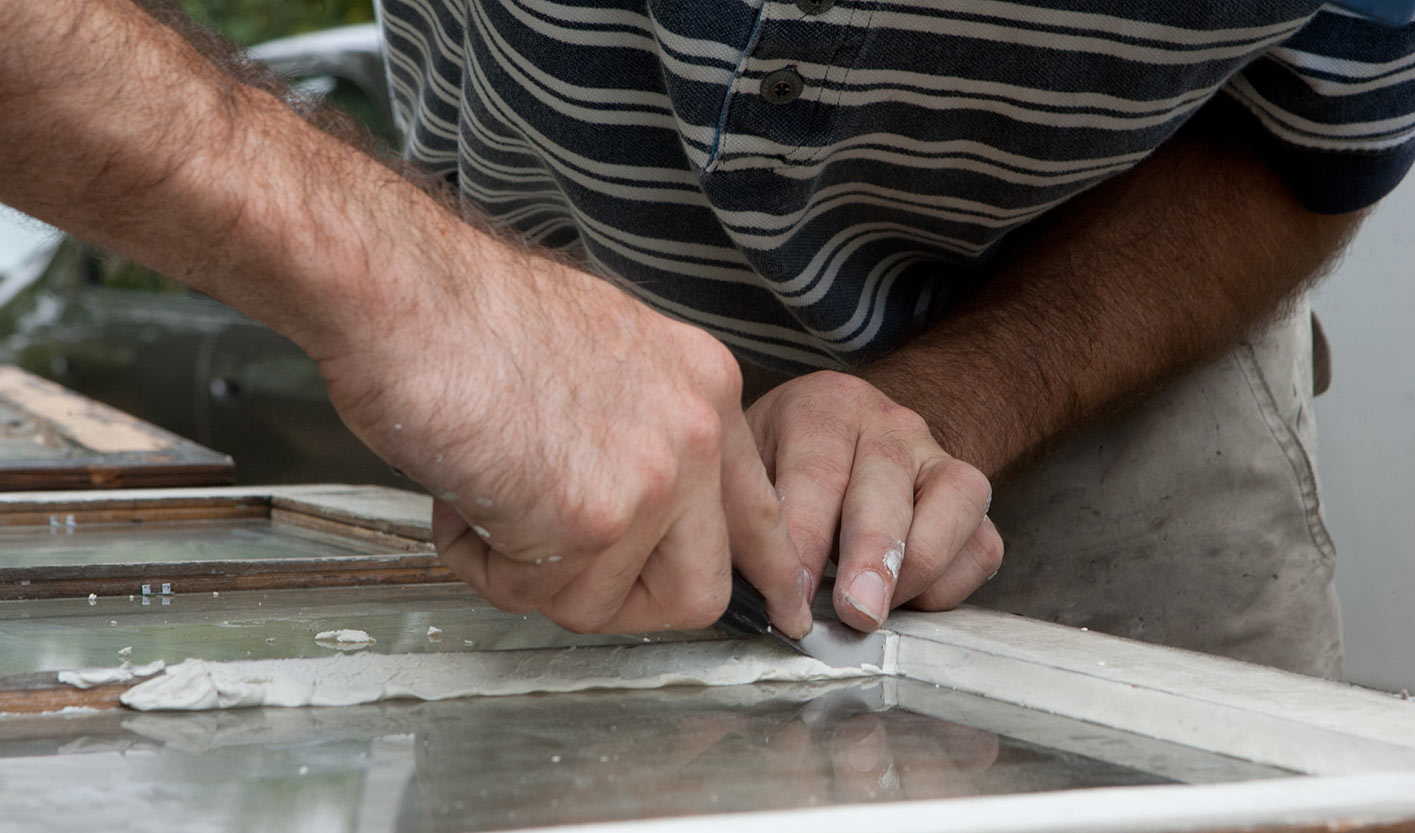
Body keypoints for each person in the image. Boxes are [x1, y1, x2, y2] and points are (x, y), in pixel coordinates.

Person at [3, 2, 1412, 676]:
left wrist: (977, 386)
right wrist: (425, 287)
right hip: (537, 436)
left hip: (1119, 396)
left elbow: (1311, 124)